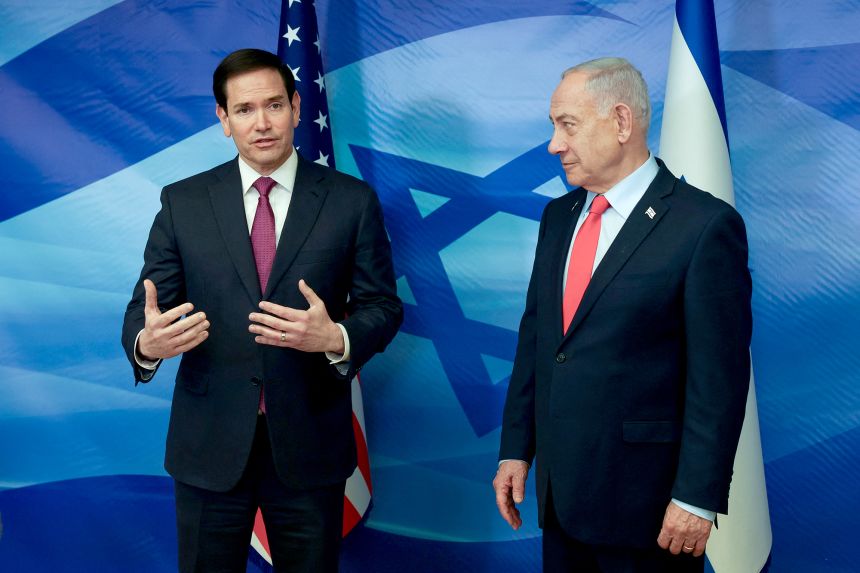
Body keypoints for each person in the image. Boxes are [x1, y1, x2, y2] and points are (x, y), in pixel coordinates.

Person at [121, 48, 402, 573]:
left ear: (298, 107)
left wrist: (336, 337)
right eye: (245, 110)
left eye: (274, 105)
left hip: (310, 444)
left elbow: (382, 305)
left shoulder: (351, 200)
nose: (263, 122)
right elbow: (145, 308)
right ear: (223, 121)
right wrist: (146, 344)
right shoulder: (184, 202)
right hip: (209, 447)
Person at [493, 57, 752, 572]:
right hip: (560, 501)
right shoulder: (558, 216)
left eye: (567, 125)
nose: (553, 145)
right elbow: (540, 340)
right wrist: (515, 448)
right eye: (553, 126)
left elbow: (718, 379)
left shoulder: (704, 226)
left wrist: (696, 498)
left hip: (649, 511)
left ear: (621, 122)